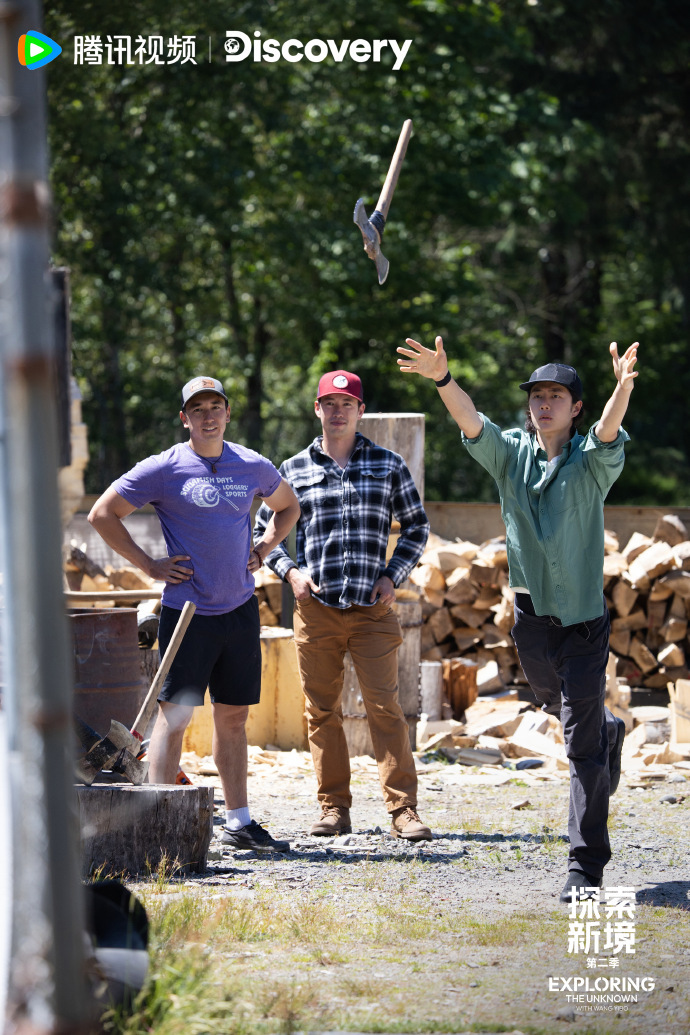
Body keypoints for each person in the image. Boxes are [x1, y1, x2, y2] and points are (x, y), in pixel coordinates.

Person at [397, 337, 639, 900]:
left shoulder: (592, 462)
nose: (543, 404)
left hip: (583, 625)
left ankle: (584, 868)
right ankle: (607, 730)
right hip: (531, 622)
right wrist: (442, 378)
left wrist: (622, 388)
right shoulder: (509, 454)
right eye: (536, 396)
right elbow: (470, 421)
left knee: (578, 746)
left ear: (575, 407)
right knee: (566, 712)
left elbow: (607, 431)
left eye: (556, 395)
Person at [88, 375, 300, 852]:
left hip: (240, 611)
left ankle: (239, 822)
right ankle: (157, 822)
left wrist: (265, 547)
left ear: (227, 414)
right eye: (198, 408)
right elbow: (102, 514)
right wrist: (149, 565)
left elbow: (288, 507)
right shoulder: (164, 468)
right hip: (187, 615)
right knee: (176, 717)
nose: (208, 415)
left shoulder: (251, 464)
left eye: (216, 407)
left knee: (234, 720)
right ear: (184, 418)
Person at [253, 369, 433, 841]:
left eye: (346, 404)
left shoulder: (388, 464)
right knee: (322, 711)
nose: (337, 412)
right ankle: (333, 807)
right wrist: (290, 572)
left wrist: (393, 575)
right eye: (329, 405)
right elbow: (260, 534)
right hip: (316, 608)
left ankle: (403, 810)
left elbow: (416, 527)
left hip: (372, 610)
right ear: (317, 409)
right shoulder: (289, 471)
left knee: (385, 708)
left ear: (360, 411)